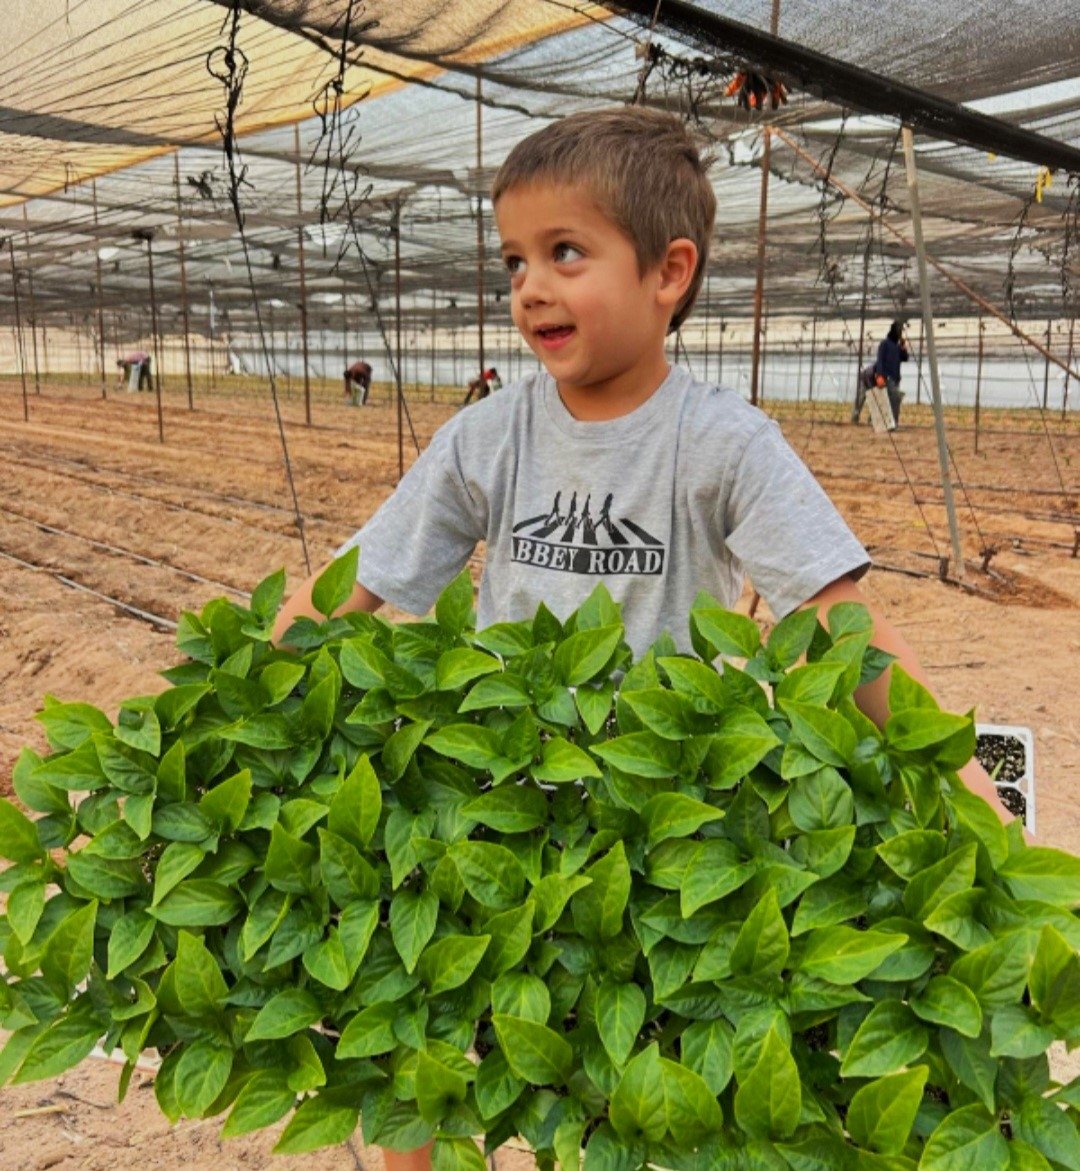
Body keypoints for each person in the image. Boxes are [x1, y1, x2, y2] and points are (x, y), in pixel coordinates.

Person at [271, 108, 1013, 1171]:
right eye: (515, 258)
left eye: (565, 252)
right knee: (429, 1044)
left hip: (665, 817)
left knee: (624, 1083)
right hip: (501, 797)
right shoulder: (488, 433)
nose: (529, 285)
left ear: (669, 273)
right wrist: (206, 705)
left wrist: (973, 798)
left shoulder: (724, 442)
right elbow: (359, 583)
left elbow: (840, 624)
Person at [875, 320, 910, 426]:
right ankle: (893, 422)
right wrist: (880, 375)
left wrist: (903, 347)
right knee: (895, 399)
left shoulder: (897, 346)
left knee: (889, 400)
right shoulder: (885, 343)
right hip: (887, 376)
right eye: (899, 331)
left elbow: (905, 358)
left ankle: (882, 421)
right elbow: (880, 360)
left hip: (895, 378)